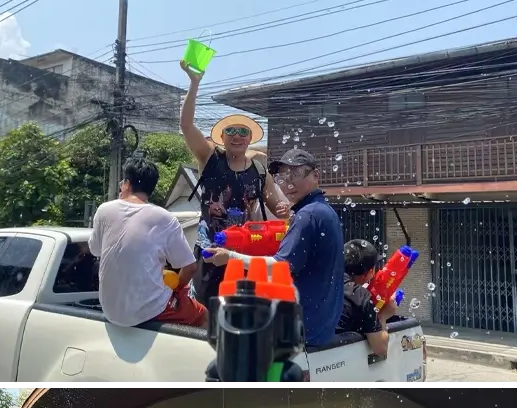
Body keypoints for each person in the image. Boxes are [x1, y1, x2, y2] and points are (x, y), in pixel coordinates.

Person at [207, 148, 345, 349]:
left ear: (316, 175)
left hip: (302, 329)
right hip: (320, 326)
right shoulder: (323, 210)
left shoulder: (307, 216)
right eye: (283, 176)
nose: (289, 182)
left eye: (296, 174)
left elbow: (280, 266)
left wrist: (230, 256)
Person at [179, 67, 289, 306]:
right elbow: (186, 126)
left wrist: (283, 209)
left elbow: (277, 206)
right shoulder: (209, 157)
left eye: (243, 132)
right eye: (231, 131)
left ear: (250, 138)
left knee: (238, 313)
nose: (237, 136)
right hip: (209, 252)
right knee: (205, 310)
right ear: (222, 136)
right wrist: (194, 83)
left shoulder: (259, 171)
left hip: (243, 255)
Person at [88, 154, 206, 329]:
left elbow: (95, 250)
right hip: (150, 309)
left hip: (109, 310)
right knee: (204, 316)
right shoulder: (164, 218)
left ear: (127, 183)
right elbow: (190, 268)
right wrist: (176, 289)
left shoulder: (104, 210)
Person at [337, 239, 398, 356]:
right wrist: (383, 315)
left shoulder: (323, 280)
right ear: (370, 272)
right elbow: (380, 349)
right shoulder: (360, 296)